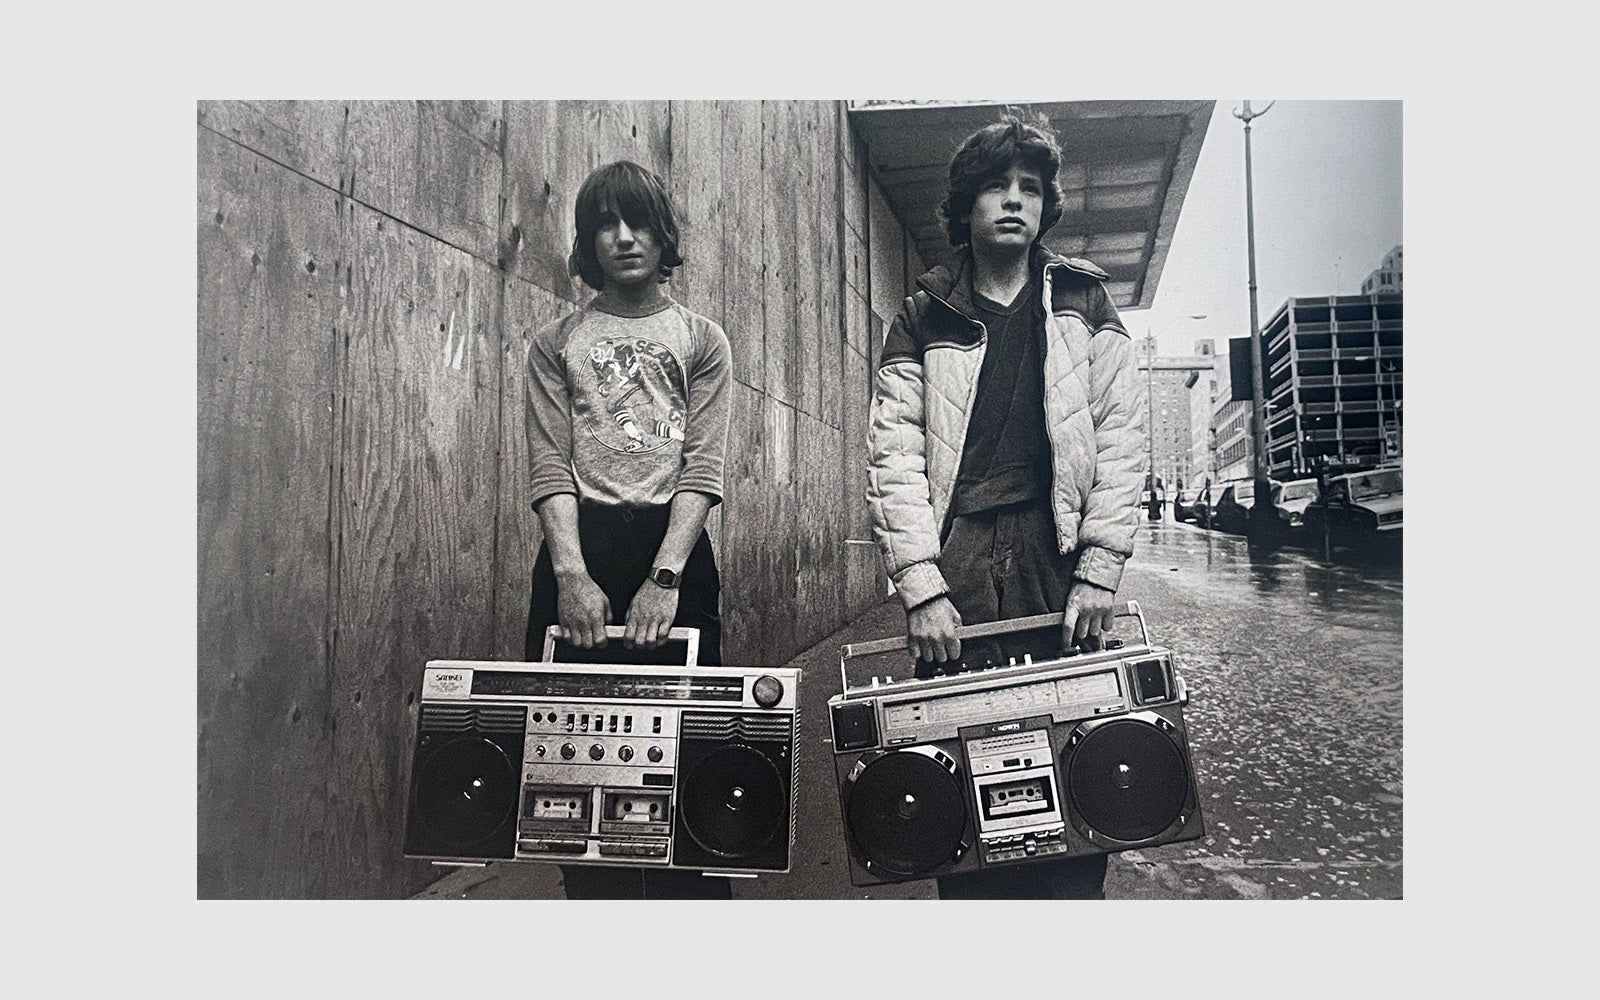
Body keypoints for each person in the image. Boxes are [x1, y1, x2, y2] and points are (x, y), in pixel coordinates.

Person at [865, 111, 1146, 899]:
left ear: (1047, 203)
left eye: (1030, 187)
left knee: (1076, 765)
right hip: (958, 562)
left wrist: (1098, 571)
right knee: (963, 788)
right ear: (964, 206)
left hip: (1055, 556)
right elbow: (893, 454)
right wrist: (921, 585)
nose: (1014, 201)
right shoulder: (924, 313)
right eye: (996, 186)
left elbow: (1121, 439)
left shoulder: (1086, 301)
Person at [523, 160, 733, 899]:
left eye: (637, 221)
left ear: (662, 233)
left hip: (673, 553)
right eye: (604, 224)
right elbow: (550, 464)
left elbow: (702, 470)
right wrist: (571, 578)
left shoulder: (702, 338)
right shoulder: (556, 341)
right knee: (577, 784)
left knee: (690, 786)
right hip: (579, 550)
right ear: (587, 241)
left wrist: (666, 577)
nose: (622, 237)